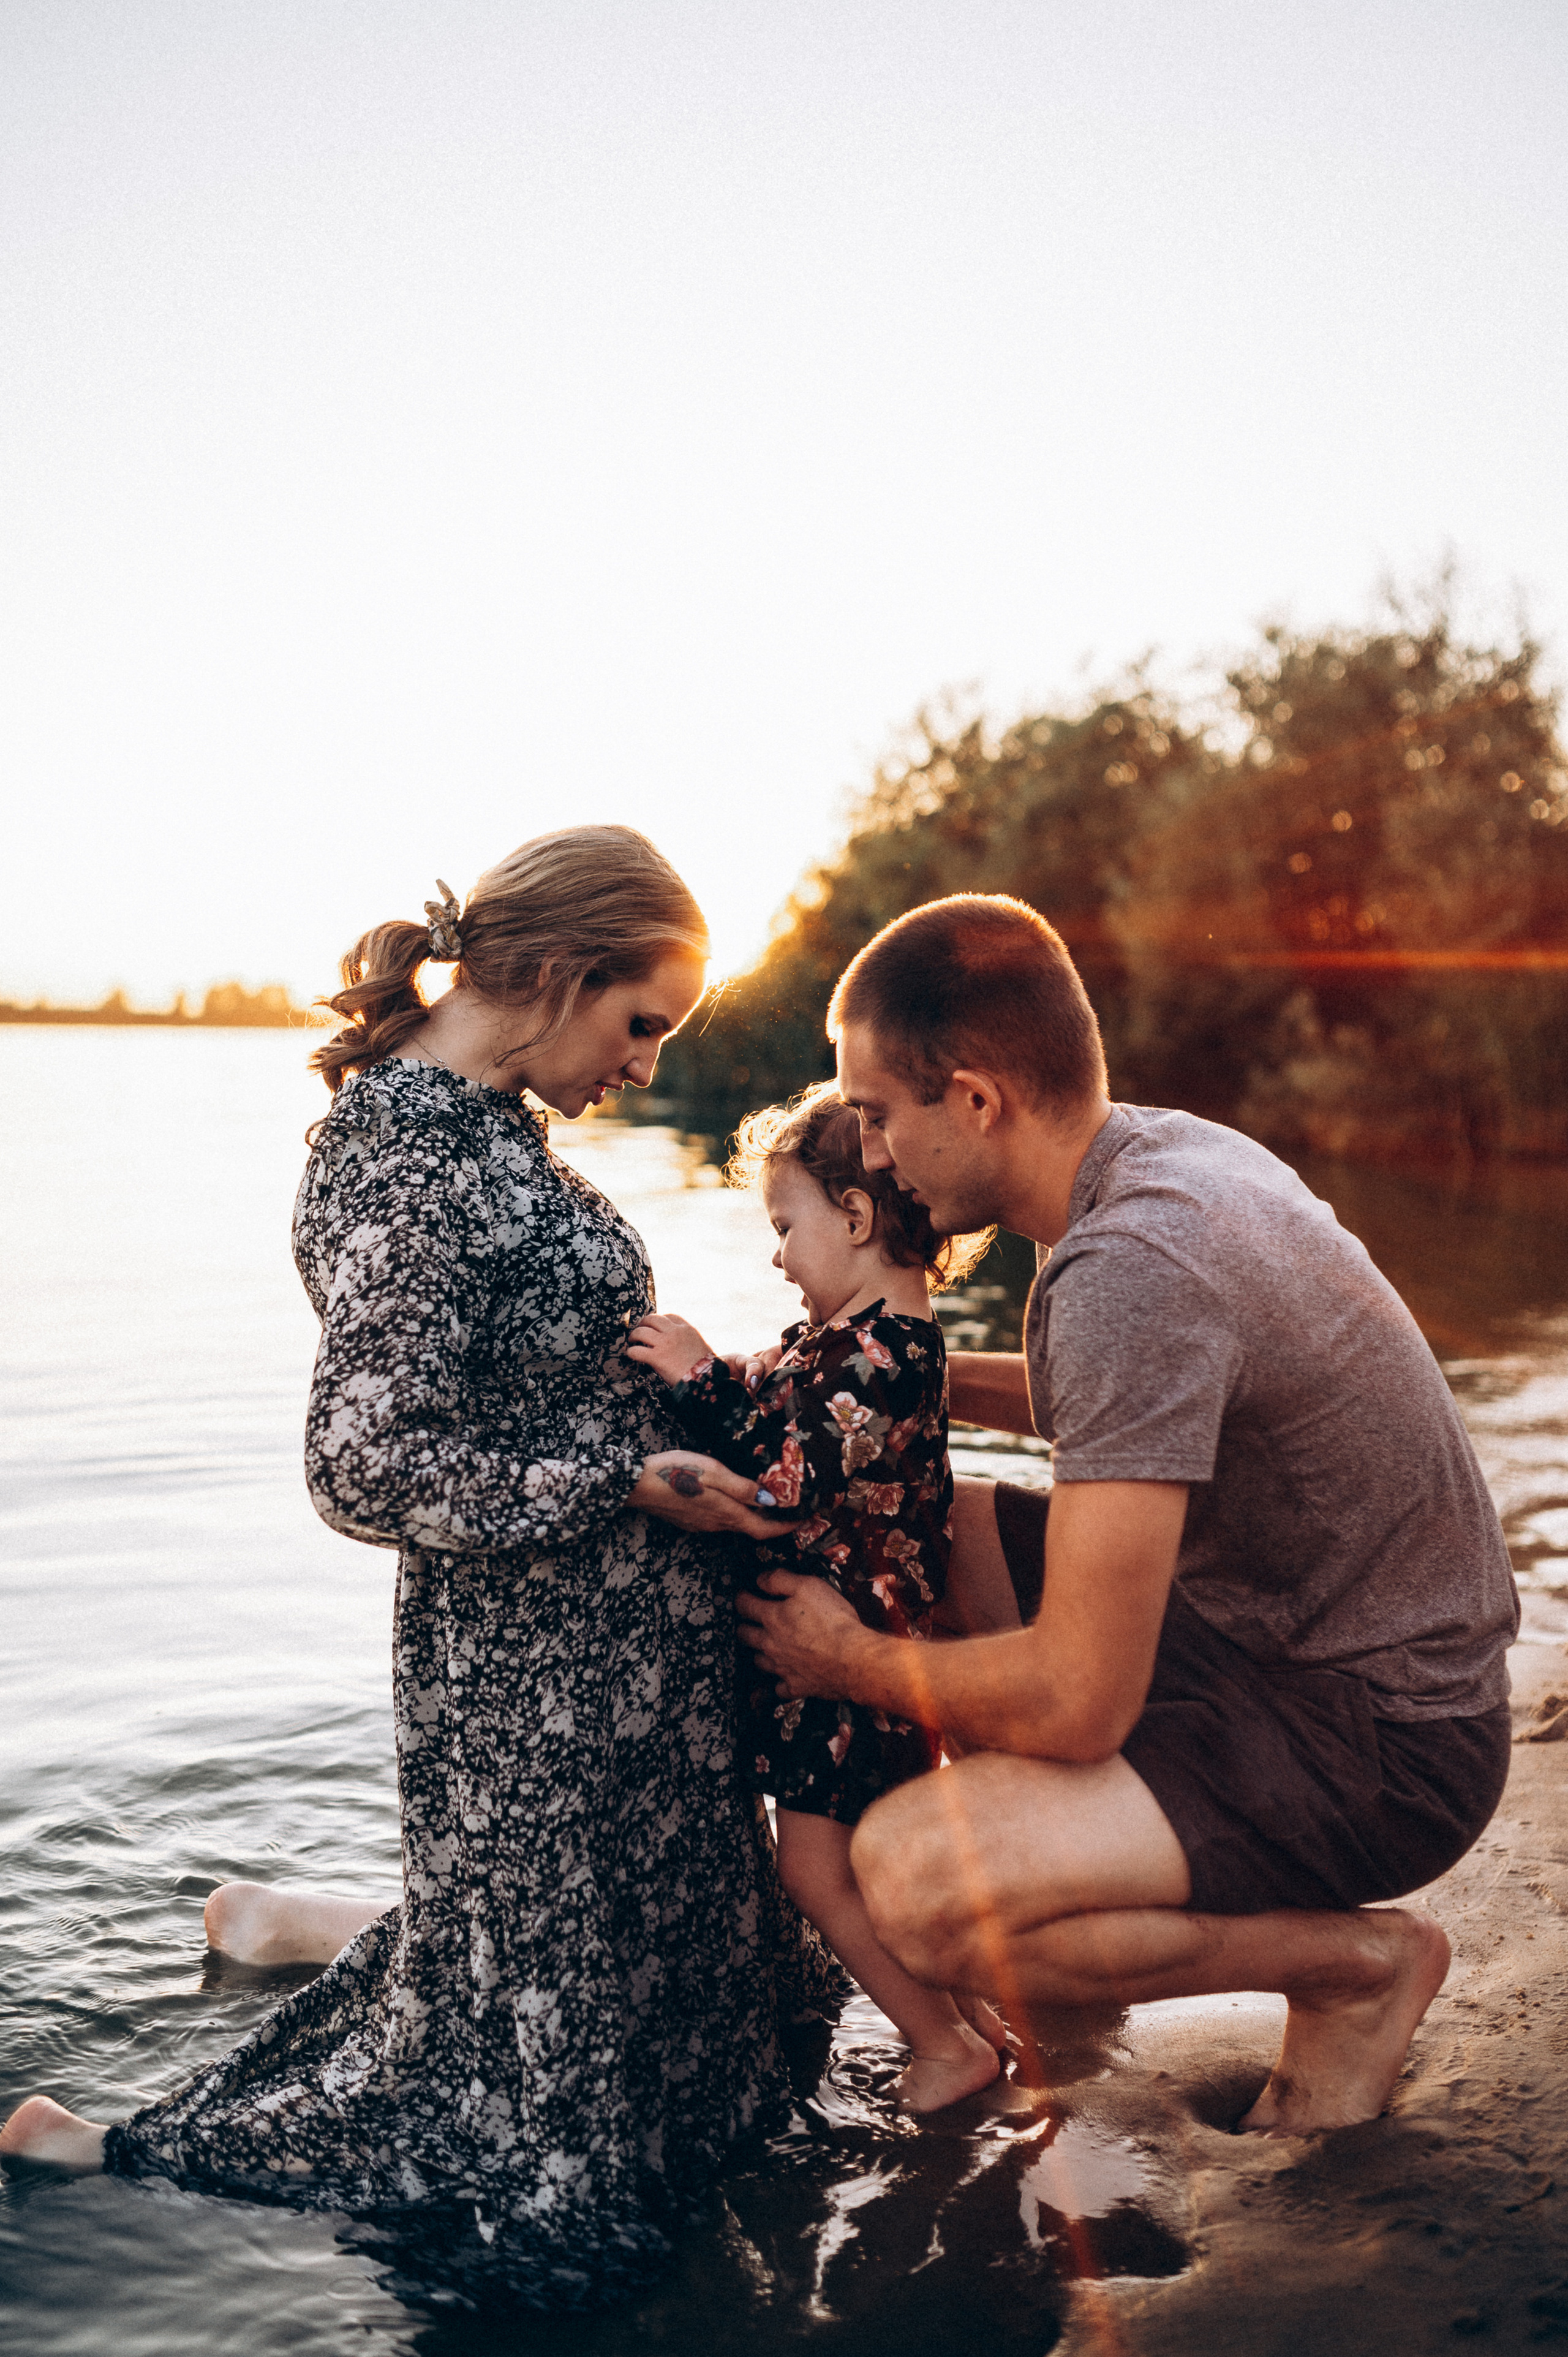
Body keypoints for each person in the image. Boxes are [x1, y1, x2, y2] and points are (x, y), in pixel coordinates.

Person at [1, 825, 828, 2307]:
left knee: (673, 2021)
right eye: (641, 1024)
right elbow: (359, 1462)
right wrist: (624, 1475)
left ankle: (273, 1930)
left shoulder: (493, 1128)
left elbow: (524, 1374)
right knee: (532, 2118)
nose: (642, 1066)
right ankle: (113, 2151)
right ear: (565, 975)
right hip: (532, 1687)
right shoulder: (407, 1158)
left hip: (621, 1675)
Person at [737, 892, 1519, 2136]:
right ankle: (1069, 1916)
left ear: (977, 1101)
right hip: (1290, 1638)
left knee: (913, 1884)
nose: (873, 1156)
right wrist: (867, 1380)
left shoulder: (1130, 1267)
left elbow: (1076, 1700)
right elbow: (1118, 1403)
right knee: (933, 1534)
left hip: (1380, 1743)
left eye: (882, 1117)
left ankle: (1349, 1968)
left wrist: (846, 1659)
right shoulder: (1149, 1159)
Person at [627, 1083, 1006, 2110]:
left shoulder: (880, 1361)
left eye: (786, 1227)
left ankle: (942, 2046)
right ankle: (972, 2021)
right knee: (874, 1871)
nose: (778, 1256)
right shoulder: (864, 1348)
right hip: (863, 1668)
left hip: (837, 1675)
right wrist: (731, 1373)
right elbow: (789, 1398)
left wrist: (699, 1379)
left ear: (855, 1215)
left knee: (816, 1876)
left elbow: (787, 1481)